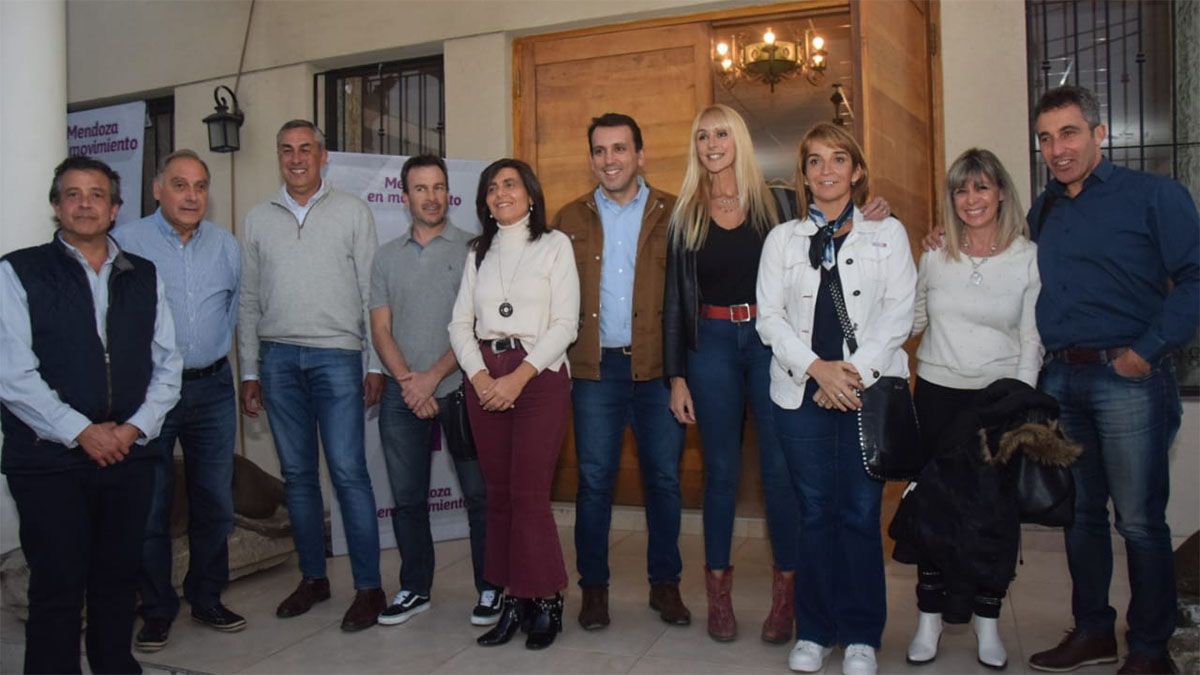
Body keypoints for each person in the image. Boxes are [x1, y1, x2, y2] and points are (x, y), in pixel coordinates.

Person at [1020, 86, 1197, 675]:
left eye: (1069, 133)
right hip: (1062, 379)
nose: (1057, 149)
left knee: (1141, 521)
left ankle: (1149, 649)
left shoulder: (1153, 197)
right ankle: (1093, 630)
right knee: (1081, 516)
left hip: (1129, 379)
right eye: (1046, 138)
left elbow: (1196, 280)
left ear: (1100, 134)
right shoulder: (1045, 209)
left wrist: (1145, 354)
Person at [0, 156, 182, 674]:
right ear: (57, 206)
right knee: (57, 587)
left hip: (128, 455)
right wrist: (81, 431)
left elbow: (169, 364)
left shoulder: (144, 275)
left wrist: (130, 430)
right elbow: (12, 374)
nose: (85, 203)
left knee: (118, 580)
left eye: (97, 194)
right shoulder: (19, 271)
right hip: (48, 460)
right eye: (73, 194)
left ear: (116, 208)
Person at [756, 122, 915, 675]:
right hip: (801, 392)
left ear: (857, 171)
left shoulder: (886, 233)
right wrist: (819, 371)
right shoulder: (782, 240)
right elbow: (770, 319)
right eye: (816, 161)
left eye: (838, 159)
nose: (827, 171)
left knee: (860, 512)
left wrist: (850, 375)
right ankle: (816, 631)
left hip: (866, 393)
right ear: (803, 175)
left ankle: (862, 634)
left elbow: (901, 312)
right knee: (815, 512)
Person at [238, 120, 386, 632]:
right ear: (278, 157)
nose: (296, 158)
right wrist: (251, 368)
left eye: (306, 149)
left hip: (338, 358)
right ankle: (313, 579)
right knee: (298, 478)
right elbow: (250, 300)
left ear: (324, 157)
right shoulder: (258, 218)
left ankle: (369, 588)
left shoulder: (352, 212)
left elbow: (373, 293)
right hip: (278, 361)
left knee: (348, 473)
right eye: (286, 150)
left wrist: (375, 363)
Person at [662, 103, 802, 644]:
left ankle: (785, 597)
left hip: (771, 344)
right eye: (702, 136)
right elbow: (674, 302)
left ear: (739, 139)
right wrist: (677, 376)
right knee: (719, 475)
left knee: (778, 474)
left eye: (721, 133)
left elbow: (828, 242)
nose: (712, 143)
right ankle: (718, 596)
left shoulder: (780, 203)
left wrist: (873, 213)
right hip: (711, 346)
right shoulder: (686, 214)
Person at [903, 148, 1041, 669]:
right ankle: (929, 621)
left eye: (981, 187)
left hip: (998, 404)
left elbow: (1032, 338)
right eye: (961, 190)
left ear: (1001, 192)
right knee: (931, 513)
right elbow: (911, 321)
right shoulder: (936, 255)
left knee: (993, 518)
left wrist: (1021, 407)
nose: (971, 199)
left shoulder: (1028, 256)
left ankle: (987, 623)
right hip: (937, 395)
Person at [552, 113, 689, 631]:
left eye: (620, 149)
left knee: (664, 482)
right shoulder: (568, 219)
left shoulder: (676, 213)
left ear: (640, 155)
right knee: (593, 483)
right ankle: (594, 590)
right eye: (600, 151)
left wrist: (683, 373)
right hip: (595, 371)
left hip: (658, 372)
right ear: (591, 159)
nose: (609, 160)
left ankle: (665, 585)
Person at [113, 149, 245, 652]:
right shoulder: (126, 243)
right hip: (149, 392)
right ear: (157, 189)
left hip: (212, 387)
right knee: (151, 505)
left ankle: (207, 595)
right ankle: (157, 609)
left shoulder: (225, 245)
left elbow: (236, 310)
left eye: (200, 186)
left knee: (216, 498)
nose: (192, 195)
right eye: (180, 184)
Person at [448, 158, 580, 650]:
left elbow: (565, 324)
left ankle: (544, 598)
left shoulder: (554, 244)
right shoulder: (477, 253)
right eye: (492, 187)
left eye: (510, 184)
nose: (501, 192)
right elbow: (460, 323)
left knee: (528, 495)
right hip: (485, 377)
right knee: (497, 497)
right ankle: (510, 601)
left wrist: (518, 378)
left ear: (530, 193)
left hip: (538, 376)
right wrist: (480, 376)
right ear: (484, 200)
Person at [368, 154, 501, 627]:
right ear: (405, 198)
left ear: (450, 193)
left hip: (462, 391)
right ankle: (414, 588)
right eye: (421, 189)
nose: (432, 197)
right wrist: (409, 381)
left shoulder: (474, 249)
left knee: (478, 496)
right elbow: (380, 329)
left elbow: (476, 326)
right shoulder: (385, 256)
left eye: (439, 187)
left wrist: (431, 379)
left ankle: (490, 589)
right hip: (404, 396)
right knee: (407, 499)